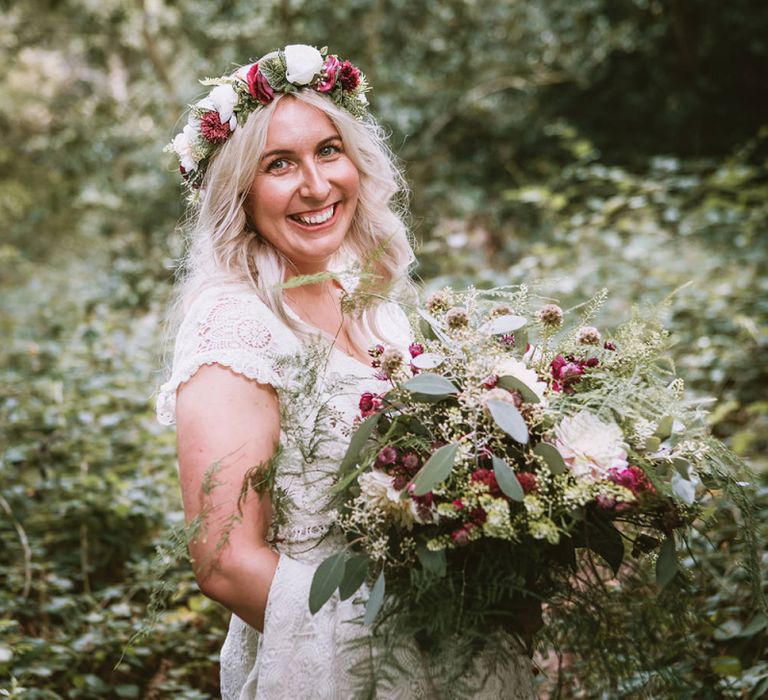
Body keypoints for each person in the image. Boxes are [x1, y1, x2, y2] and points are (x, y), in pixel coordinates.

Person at [157, 44, 536, 699]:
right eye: (279, 164)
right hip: (343, 668)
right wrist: (392, 648)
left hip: (462, 652)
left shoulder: (373, 301)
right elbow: (224, 563)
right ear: (239, 192)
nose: (316, 185)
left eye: (328, 151)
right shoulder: (234, 324)